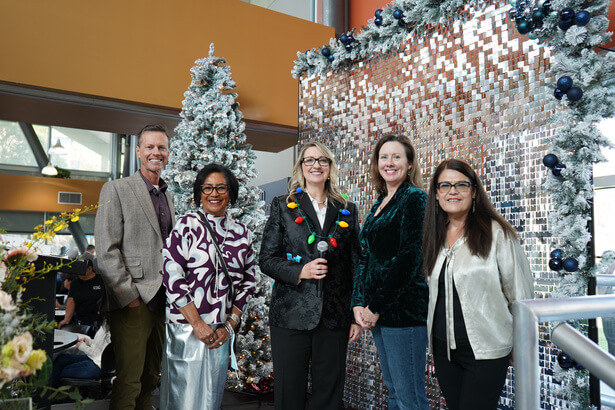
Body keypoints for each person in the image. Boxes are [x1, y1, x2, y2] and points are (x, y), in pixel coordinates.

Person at [422, 159, 534, 410]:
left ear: (473, 191)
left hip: (486, 350)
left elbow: (521, 295)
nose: (452, 191)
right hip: (443, 352)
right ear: (436, 194)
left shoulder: (498, 233)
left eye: (461, 185)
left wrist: (521, 343)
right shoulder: (434, 235)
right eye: (445, 185)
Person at [260, 141, 362, 410]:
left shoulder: (347, 209)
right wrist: (300, 271)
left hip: (334, 317)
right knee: (289, 395)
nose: (316, 165)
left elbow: (355, 264)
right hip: (290, 315)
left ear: (330, 167)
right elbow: (267, 259)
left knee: (329, 396)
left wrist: (354, 314)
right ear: (301, 167)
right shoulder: (283, 205)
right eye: (309, 160)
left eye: (322, 160)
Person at [160, 164, 256, 410]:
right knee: (182, 399)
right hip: (186, 327)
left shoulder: (241, 233)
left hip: (220, 331)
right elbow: (172, 275)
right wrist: (197, 323)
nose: (214, 194)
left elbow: (248, 282)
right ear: (199, 193)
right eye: (208, 188)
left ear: (230, 192)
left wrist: (230, 326)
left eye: (221, 188)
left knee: (211, 399)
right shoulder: (186, 226)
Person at [95, 124, 175, 409]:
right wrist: (130, 297)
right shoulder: (116, 188)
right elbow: (106, 250)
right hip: (134, 299)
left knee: (151, 378)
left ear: (168, 152)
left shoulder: (168, 195)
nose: (156, 152)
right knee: (129, 382)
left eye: (162, 147)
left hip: (163, 300)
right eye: (150, 147)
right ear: (139, 151)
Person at [351, 134, 430, 410]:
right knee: (394, 391)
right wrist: (359, 302)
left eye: (397, 157)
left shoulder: (415, 198)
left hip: (403, 311)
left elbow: (410, 258)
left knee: (409, 397)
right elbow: (366, 256)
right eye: (384, 157)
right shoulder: (380, 202)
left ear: (410, 164)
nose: (390, 163)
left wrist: (375, 306)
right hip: (378, 311)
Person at [51, 322, 111, 387]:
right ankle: (50, 388)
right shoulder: (106, 324)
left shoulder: (113, 332)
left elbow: (103, 357)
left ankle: (50, 390)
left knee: (59, 371)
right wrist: (88, 342)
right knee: (61, 359)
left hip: (100, 367)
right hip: (93, 359)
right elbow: (99, 345)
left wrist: (82, 346)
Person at [58, 254, 104, 329]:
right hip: (81, 320)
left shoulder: (101, 280)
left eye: (82, 271)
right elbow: (71, 301)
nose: (80, 274)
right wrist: (66, 319)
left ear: (90, 269)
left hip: (99, 320)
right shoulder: (75, 283)